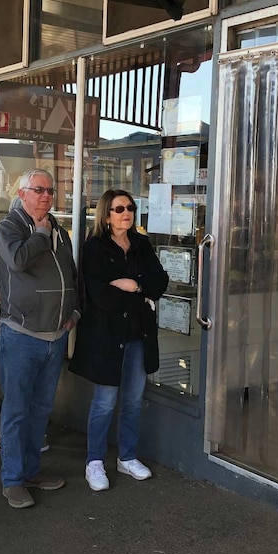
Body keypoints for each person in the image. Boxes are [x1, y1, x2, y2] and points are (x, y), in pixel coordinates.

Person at [69, 190, 168, 491]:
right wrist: (143, 298)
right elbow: (101, 297)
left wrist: (134, 285)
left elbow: (160, 282)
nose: (126, 213)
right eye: (119, 208)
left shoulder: (141, 244)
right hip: (107, 337)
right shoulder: (95, 247)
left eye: (130, 208)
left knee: (134, 399)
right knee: (104, 401)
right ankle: (94, 462)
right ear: (106, 214)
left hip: (139, 335)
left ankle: (127, 456)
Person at [0, 168, 80, 509]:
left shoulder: (58, 229)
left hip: (56, 335)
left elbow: (71, 274)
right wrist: (41, 234)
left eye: (50, 191)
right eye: (39, 189)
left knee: (41, 409)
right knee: (16, 411)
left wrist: (75, 313)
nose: (46, 195)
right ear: (22, 192)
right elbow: (16, 261)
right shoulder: (8, 227)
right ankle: (12, 480)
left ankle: (31, 471)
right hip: (21, 335)